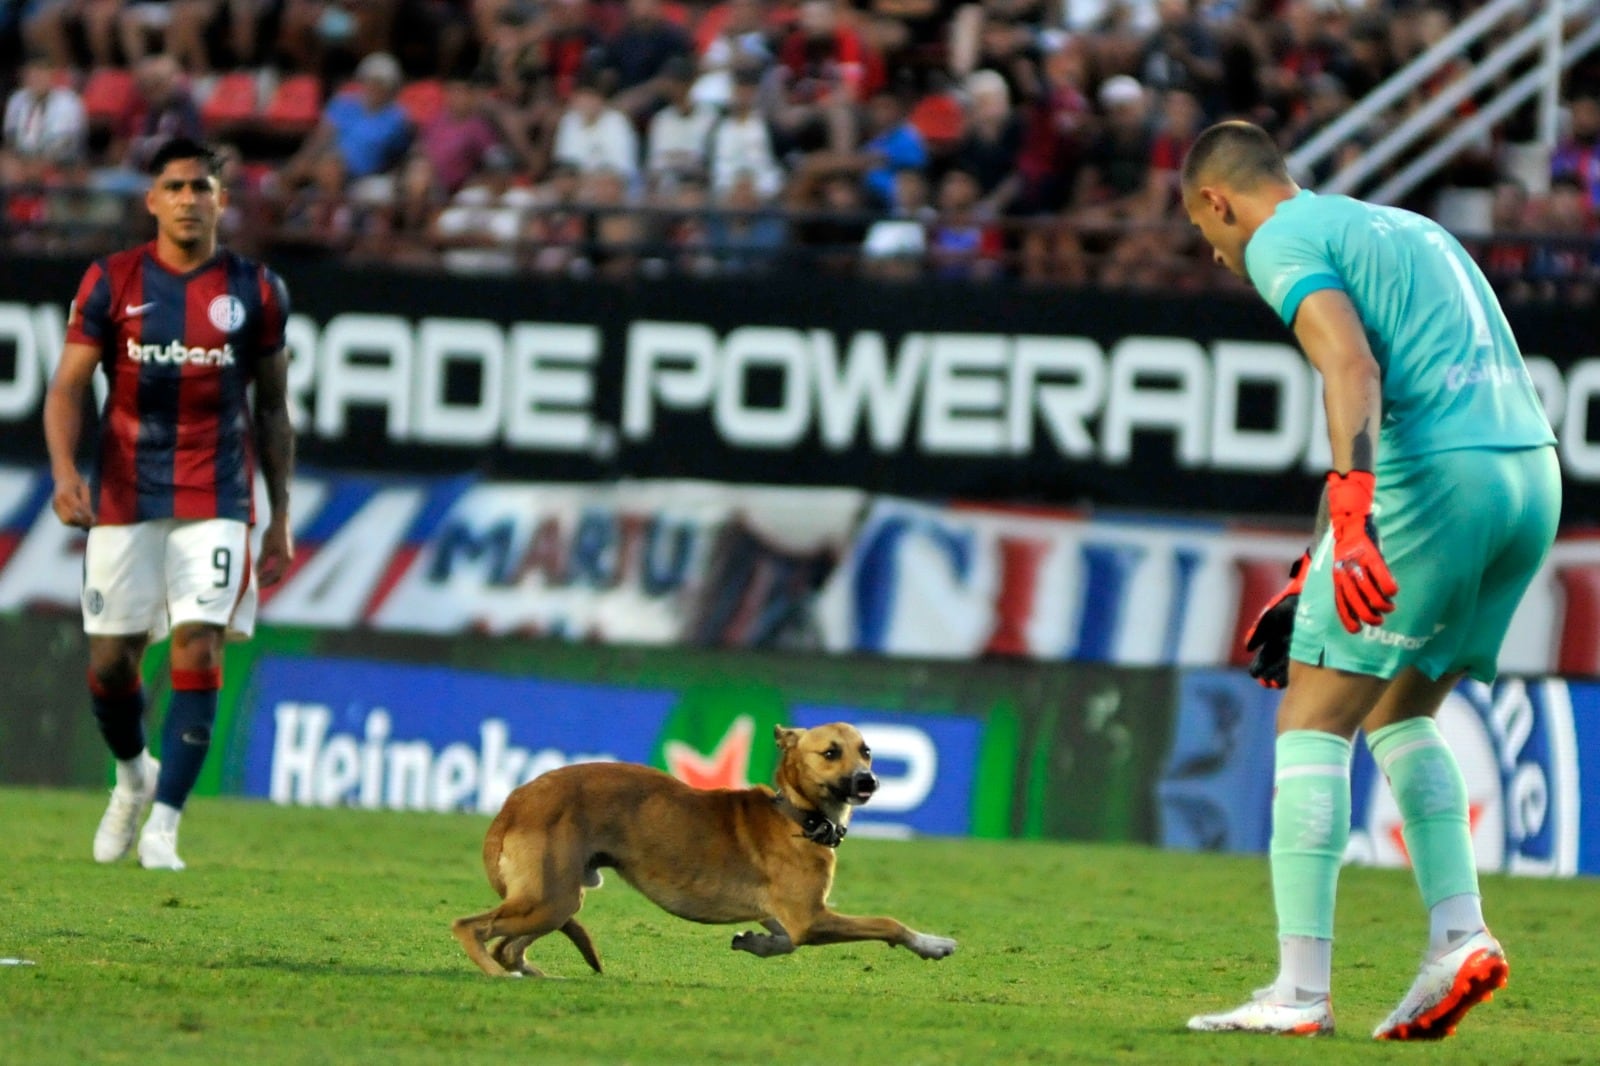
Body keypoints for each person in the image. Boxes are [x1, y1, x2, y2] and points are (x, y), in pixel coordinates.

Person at [1179, 121, 1559, 1041]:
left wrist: (1353, 518)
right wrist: (1324, 552)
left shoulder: (1278, 240)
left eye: (1206, 232)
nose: (1219, 253)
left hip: (1437, 479)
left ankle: (1299, 993)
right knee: (1400, 712)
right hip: (1528, 479)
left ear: (1217, 203)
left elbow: (1353, 367)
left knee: (1311, 718)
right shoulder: (1403, 228)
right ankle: (1457, 940)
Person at [42, 137, 295, 872]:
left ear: (221, 199)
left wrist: (281, 516)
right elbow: (66, 387)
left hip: (217, 493)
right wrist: (64, 472)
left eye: (202, 187)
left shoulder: (257, 289)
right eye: (176, 187)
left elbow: (274, 411)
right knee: (113, 662)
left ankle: (165, 828)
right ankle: (131, 776)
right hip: (124, 494)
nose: (189, 199)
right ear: (152, 199)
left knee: (198, 644)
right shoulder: (111, 281)